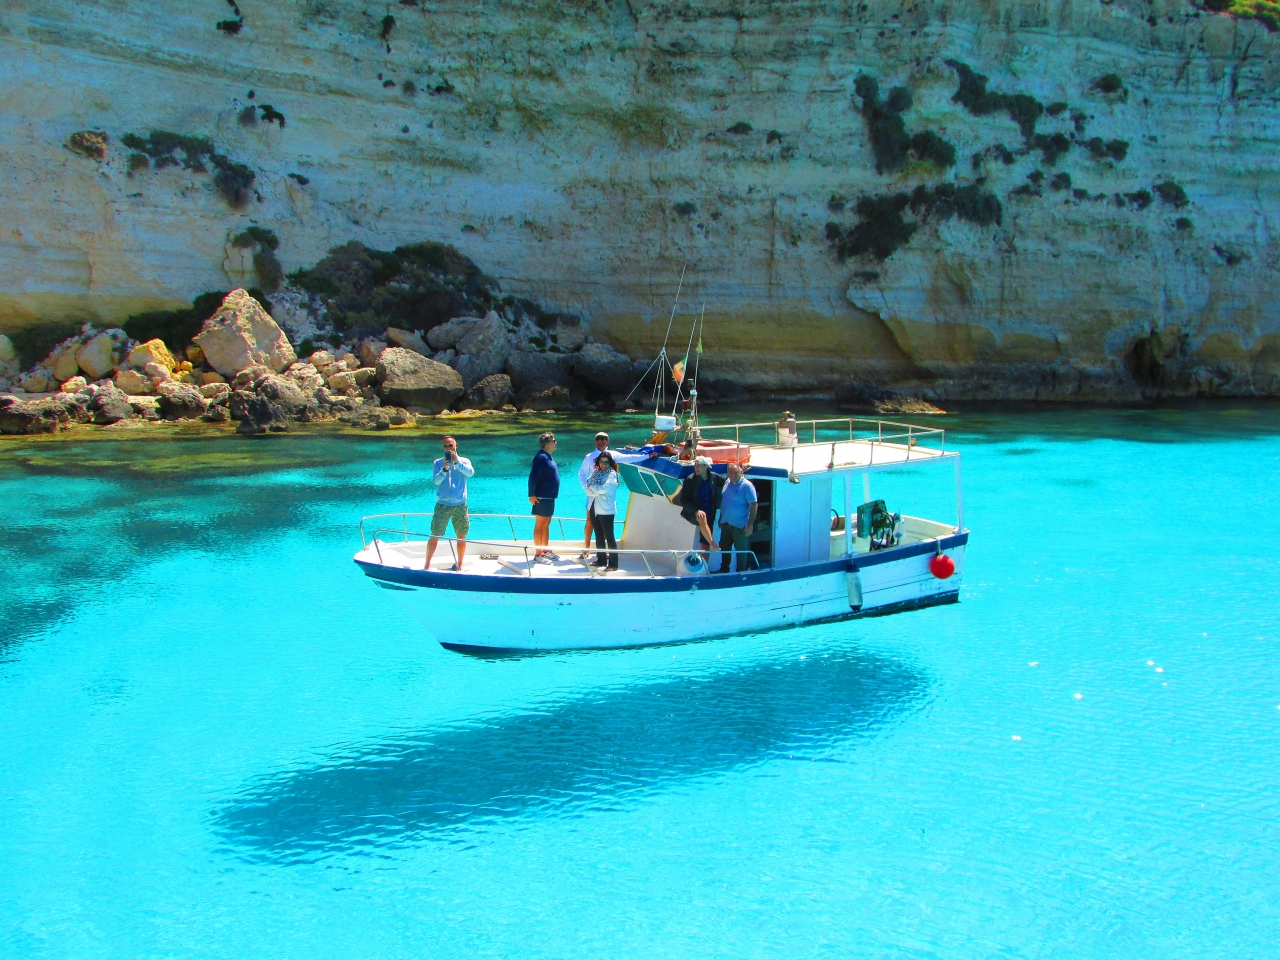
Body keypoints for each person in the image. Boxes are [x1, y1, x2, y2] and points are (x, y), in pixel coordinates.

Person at [424, 436, 474, 571]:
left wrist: (457, 463)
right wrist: (445, 469)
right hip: (442, 504)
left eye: (450, 445)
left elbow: (470, 473)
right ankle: (427, 565)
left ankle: (460, 564)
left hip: (460, 504)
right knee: (435, 534)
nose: (448, 448)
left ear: (456, 445)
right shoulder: (438, 463)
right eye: (445, 446)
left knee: (461, 534)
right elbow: (436, 481)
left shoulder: (464, 461)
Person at [671, 455, 724, 554]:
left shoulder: (714, 477)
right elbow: (684, 500)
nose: (696, 468)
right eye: (695, 465)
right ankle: (713, 543)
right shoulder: (690, 480)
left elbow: (727, 481)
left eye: (699, 466)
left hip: (710, 512)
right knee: (702, 517)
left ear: (706, 467)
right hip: (694, 512)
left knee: (705, 544)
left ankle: (705, 567)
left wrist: (741, 471)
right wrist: (696, 510)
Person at [715, 461, 759, 573]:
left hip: (740, 526)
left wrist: (750, 525)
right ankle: (724, 571)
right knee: (724, 549)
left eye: (735, 472)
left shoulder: (747, 486)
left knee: (741, 551)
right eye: (730, 472)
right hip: (726, 524)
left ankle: (741, 573)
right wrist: (721, 518)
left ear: (741, 472)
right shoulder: (727, 482)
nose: (732, 475)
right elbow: (725, 501)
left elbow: (754, 506)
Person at [584, 450, 620, 571]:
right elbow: (588, 484)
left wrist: (594, 488)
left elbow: (604, 489)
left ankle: (613, 564)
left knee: (609, 537)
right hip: (594, 506)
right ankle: (601, 560)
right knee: (598, 535)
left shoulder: (612, 474)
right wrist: (595, 488)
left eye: (606, 462)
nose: (603, 464)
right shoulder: (596, 472)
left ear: (610, 462)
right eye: (601, 462)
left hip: (606, 510)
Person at [577, 431, 611, 560]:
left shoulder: (613, 455)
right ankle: (586, 550)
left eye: (603, 439)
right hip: (591, 494)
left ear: (607, 441)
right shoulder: (589, 457)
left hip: (606, 495)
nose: (600, 441)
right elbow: (581, 474)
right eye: (598, 439)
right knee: (589, 521)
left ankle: (605, 551)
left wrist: (648, 455)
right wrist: (586, 488)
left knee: (605, 523)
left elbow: (630, 458)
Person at [528, 432, 560, 562]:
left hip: (549, 496)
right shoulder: (540, 457)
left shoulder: (548, 457)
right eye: (554, 440)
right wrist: (531, 494)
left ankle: (545, 550)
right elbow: (533, 477)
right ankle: (538, 554)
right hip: (541, 497)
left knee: (546, 523)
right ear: (547, 444)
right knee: (540, 524)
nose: (556, 442)